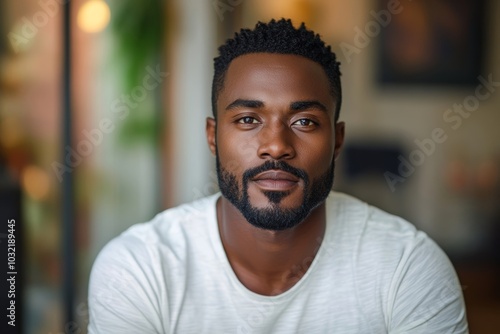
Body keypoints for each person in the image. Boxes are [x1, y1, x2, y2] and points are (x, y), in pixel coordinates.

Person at [88, 19, 468, 333]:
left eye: (304, 121)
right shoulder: (138, 269)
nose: (275, 145)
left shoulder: (408, 268)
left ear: (337, 141)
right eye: (248, 119)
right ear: (212, 137)